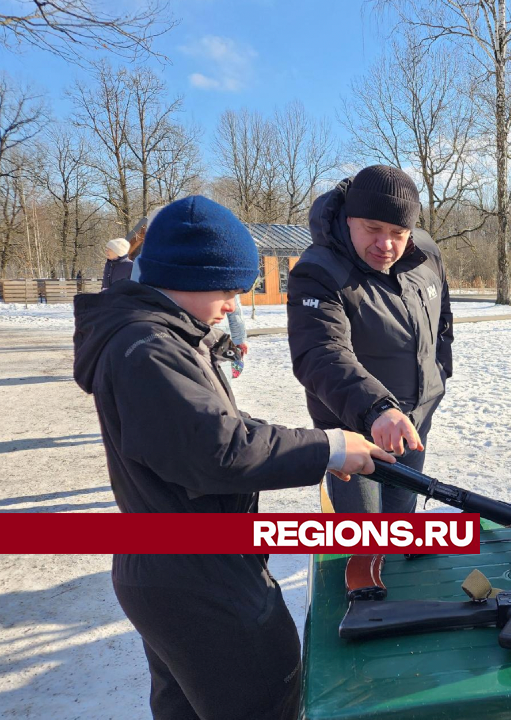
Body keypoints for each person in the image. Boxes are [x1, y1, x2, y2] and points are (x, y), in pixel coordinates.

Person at [73, 195, 393, 720]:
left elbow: (220, 428)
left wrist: (322, 445)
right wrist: (328, 446)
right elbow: (217, 449)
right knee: (267, 692)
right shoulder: (149, 348)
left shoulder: (164, 336)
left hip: (178, 564)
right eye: (225, 289)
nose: (232, 304)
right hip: (196, 575)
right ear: (182, 275)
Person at [287, 165, 453, 513]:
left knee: (400, 524)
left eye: (398, 232)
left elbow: (442, 321)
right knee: (362, 535)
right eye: (372, 229)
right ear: (349, 219)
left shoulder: (426, 253)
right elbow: (320, 352)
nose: (386, 244)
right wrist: (377, 409)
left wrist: (439, 376)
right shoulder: (318, 270)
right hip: (353, 427)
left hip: (413, 420)